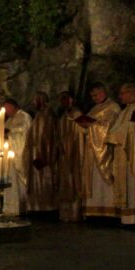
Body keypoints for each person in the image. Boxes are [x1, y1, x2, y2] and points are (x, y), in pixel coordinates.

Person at [75, 83, 121, 220]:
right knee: (93, 179)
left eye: (95, 95)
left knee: (105, 179)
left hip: (104, 149)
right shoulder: (94, 108)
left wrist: (92, 126)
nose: (94, 98)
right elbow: (89, 126)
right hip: (92, 149)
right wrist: (84, 125)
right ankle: (93, 212)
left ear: (103, 92)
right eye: (92, 96)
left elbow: (110, 127)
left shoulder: (113, 107)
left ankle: (109, 211)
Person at [106, 82, 135, 226]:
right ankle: (126, 218)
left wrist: (114, 136)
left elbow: (133, 129)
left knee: (133, 183)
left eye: (122, 93)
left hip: (133, 153)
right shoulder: (124, 111)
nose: (120, 96)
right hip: (121, 151)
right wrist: (111, 135)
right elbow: (116, 128)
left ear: (131, 93)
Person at [22, 92, 58, 213]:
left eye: (35, 100)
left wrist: (45, 153)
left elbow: (49, 137)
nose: (33, 103)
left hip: (43, 153)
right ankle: (36, 206)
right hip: (34, 152)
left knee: (44, 179)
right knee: (36, 181)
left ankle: (46, 207)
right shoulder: (39, 115)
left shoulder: (49, 115)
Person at [54, 91, 85, 222]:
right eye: (61, 100)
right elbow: (59, 135)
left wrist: (73, 148)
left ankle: (75, 212)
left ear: (72, 100)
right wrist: (59, 144)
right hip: (64, 155)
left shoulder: (78, 115)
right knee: (65, 182)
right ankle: (65, 213)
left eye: (65, 99)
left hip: (75, 153)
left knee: (75, 180)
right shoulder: (62, 117)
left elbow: (81, 134)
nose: (63, 102)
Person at [1, 98, 31, 217]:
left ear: (14, 106)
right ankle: (11, 207)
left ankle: (22, 206)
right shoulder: (9, 120)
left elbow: (24, 133)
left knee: (18, 180)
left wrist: (8, 133)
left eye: (7, 107)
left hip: (18, 153)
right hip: (9, 155)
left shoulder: (24, 116)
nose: (6, 110)